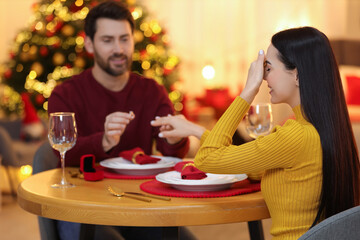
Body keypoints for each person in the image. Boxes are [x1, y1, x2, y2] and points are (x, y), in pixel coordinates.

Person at [151, 26, 360, 239]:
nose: (263, 78)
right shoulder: (326, 130)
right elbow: (254, 165)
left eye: (267, 68)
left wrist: (248, 90)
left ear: (297, 74)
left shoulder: (295, 137)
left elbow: (206, 158)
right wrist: (195, 130)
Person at [47, 1, 191, 239]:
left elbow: (170, 155)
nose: (118, 48)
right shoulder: (66, 95)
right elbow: (63, 153)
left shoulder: (152, 92)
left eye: (124, 39)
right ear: (90, 44)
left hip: (140, 203)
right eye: (107, 40)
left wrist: (175, 139)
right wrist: (104, 141)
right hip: (82, 206)